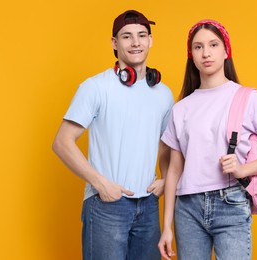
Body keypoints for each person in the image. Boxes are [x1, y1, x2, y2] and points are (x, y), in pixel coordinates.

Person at [158, 19, 257, 260]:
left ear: (226, 50)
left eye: (213, 45)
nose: (206, 53)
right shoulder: (182, 108)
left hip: (230, 202)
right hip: (187, 209)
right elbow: (174, 172)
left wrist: (242, 169)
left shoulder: (247, 98)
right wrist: (166, 227)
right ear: (191, 55)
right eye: (198, 47)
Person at [52, 10, 174, 260]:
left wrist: (165, 179)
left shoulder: (163, 93)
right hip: (106, 204)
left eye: (142, 35)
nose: (136, 42)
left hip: (149, 206)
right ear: (114, 43)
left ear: (150, 40)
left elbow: (167, 145)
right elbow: (62, 142)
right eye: (127, 36)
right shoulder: (95, 87)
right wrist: (100, 183)